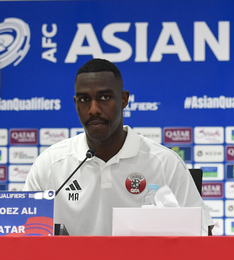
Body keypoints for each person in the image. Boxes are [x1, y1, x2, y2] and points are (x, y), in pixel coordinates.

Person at [24, 58, 213, 236]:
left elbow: (203, 234)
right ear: (75, 104)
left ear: (124, 100)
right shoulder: (49, 165)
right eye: (84, 100)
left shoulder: (164, 163)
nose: (94, 109)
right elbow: (25, 237)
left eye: (105, 97)